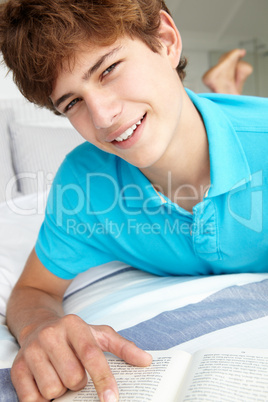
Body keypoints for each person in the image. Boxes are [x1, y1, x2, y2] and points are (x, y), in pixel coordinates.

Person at [0, 0, 267, 401]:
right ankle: (220, 88)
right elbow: (33, 291)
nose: (104, 117)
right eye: (72, 103)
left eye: (108, 70)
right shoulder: (83, 185)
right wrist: (39, 327)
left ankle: (225, 89)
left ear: (165, 40)